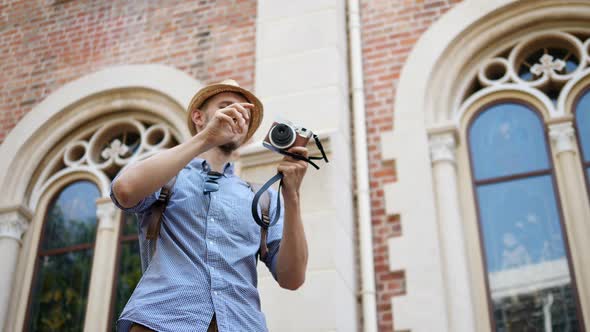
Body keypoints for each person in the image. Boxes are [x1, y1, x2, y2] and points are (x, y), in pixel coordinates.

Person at [110, 79, 309, 332]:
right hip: (161, 322)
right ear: (199, 117)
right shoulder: (167, 175)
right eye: (226, 106)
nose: (237, 115)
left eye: (244, 114)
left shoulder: (265, 198)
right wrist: (206, 138)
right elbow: (125, 191)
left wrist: (292, 197)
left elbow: (292, 279)